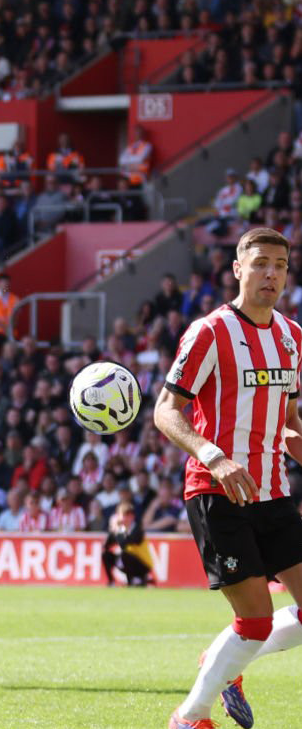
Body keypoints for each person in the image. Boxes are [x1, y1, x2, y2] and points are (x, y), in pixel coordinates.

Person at [156, 227, 302, 729]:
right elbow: (165, 411)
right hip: (217, 490)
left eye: (280, 265)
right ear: (238, 268)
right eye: (261, 263)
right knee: (256, 621)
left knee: (256, 630)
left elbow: (290, 421)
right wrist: (214, 455)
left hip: (273, 490)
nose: (271, 274)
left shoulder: (292, 336)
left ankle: (224, 660)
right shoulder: (210, 332)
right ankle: (190, 717)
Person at [101, 502, 152, 587]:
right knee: (105, 555)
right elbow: (106, 545)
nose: (123, 519)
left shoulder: (137, 529)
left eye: (125, 516)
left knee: (125, 554)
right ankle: (111, 582)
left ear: (132, 517)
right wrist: (113, 530)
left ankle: (132, 581)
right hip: (127, 561)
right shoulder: (121, 529)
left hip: (143, 564)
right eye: (121, 516)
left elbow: (124, 543)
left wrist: (117, 528)